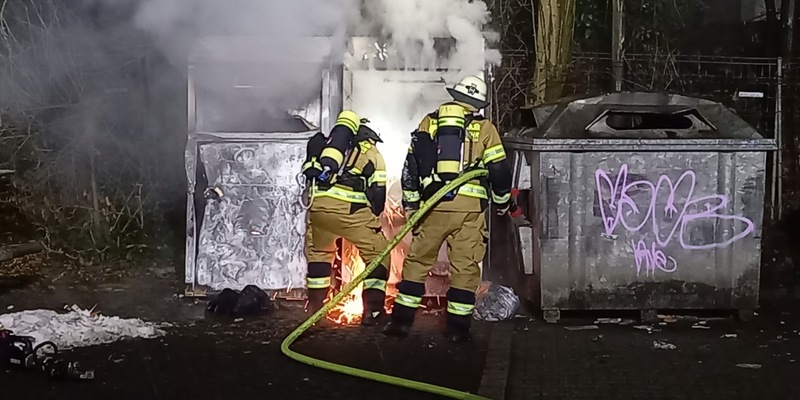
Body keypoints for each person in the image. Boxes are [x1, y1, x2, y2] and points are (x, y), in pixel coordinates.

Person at [384, 75, 513, 342]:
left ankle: (400, 324)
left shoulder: (430, 121)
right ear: (477, 103)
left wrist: (411, 205)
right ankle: (457, 331)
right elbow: (499, 170)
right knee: (465, 268)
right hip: (469, 211)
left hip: (434, 207)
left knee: (417, 263)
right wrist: (502, 203)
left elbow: (411, 166)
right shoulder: (485, 128)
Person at [301, 110, 390, 326]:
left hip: (319, 208)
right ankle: (373, 312)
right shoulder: (370, 150)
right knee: (378, 253)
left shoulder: (325, 147)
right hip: (351, 211)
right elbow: (378, 191)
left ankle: (315, 311)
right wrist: (373, 216)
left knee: (319, 254)